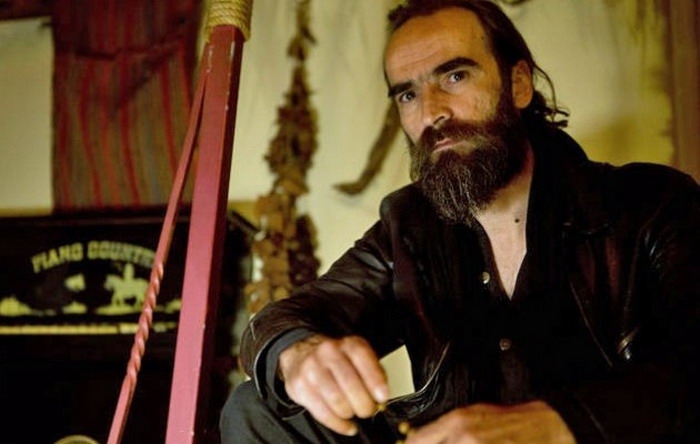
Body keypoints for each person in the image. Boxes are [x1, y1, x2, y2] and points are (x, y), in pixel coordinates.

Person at [220, 0, 700, 442]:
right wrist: (299, 353)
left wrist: (558, 423)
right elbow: (293, 316)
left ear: (518, 84)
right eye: (408, 95)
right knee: (257, 408)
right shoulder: (408, 227)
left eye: (454, 76)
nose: (431, 113)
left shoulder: (651, 204)